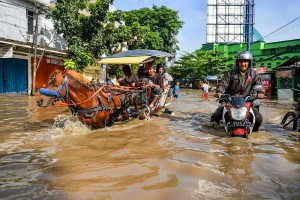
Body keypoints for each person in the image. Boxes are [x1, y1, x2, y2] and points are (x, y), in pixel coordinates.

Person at [211, 51, 265, 132]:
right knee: (216, 115)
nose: (243, 64)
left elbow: (259, 84)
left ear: (249, 63)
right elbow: (222, 84)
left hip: (247, 101)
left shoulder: (254, 74)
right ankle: (213, 129)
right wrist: (219, 92)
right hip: (230, 100)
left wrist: (261, 92)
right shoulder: (230, 73)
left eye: (245, 61)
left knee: (258, 118)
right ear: (237, 63)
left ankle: (254, 133)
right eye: (240, 61)